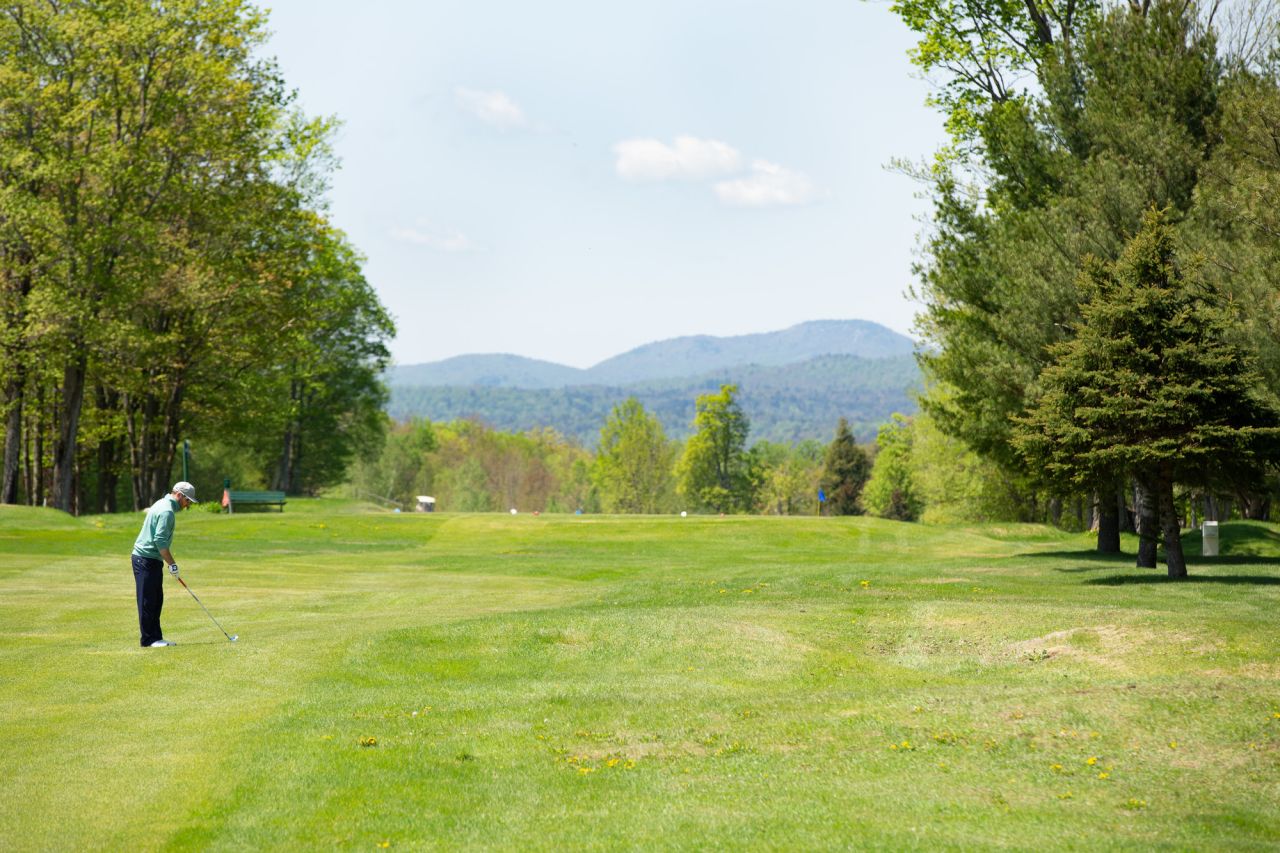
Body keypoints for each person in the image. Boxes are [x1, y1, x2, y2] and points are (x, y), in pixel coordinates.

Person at [131, 481, 199, 647]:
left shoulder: (162, 503)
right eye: (187, 500)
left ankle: (156, 637)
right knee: (147, 600)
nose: (188, 504)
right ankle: (148, 640)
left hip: (151, 559)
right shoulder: (167, 511)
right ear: (179, 495)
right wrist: (172, 565)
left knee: (156, 600)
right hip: (145, 558)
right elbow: (160, 542)